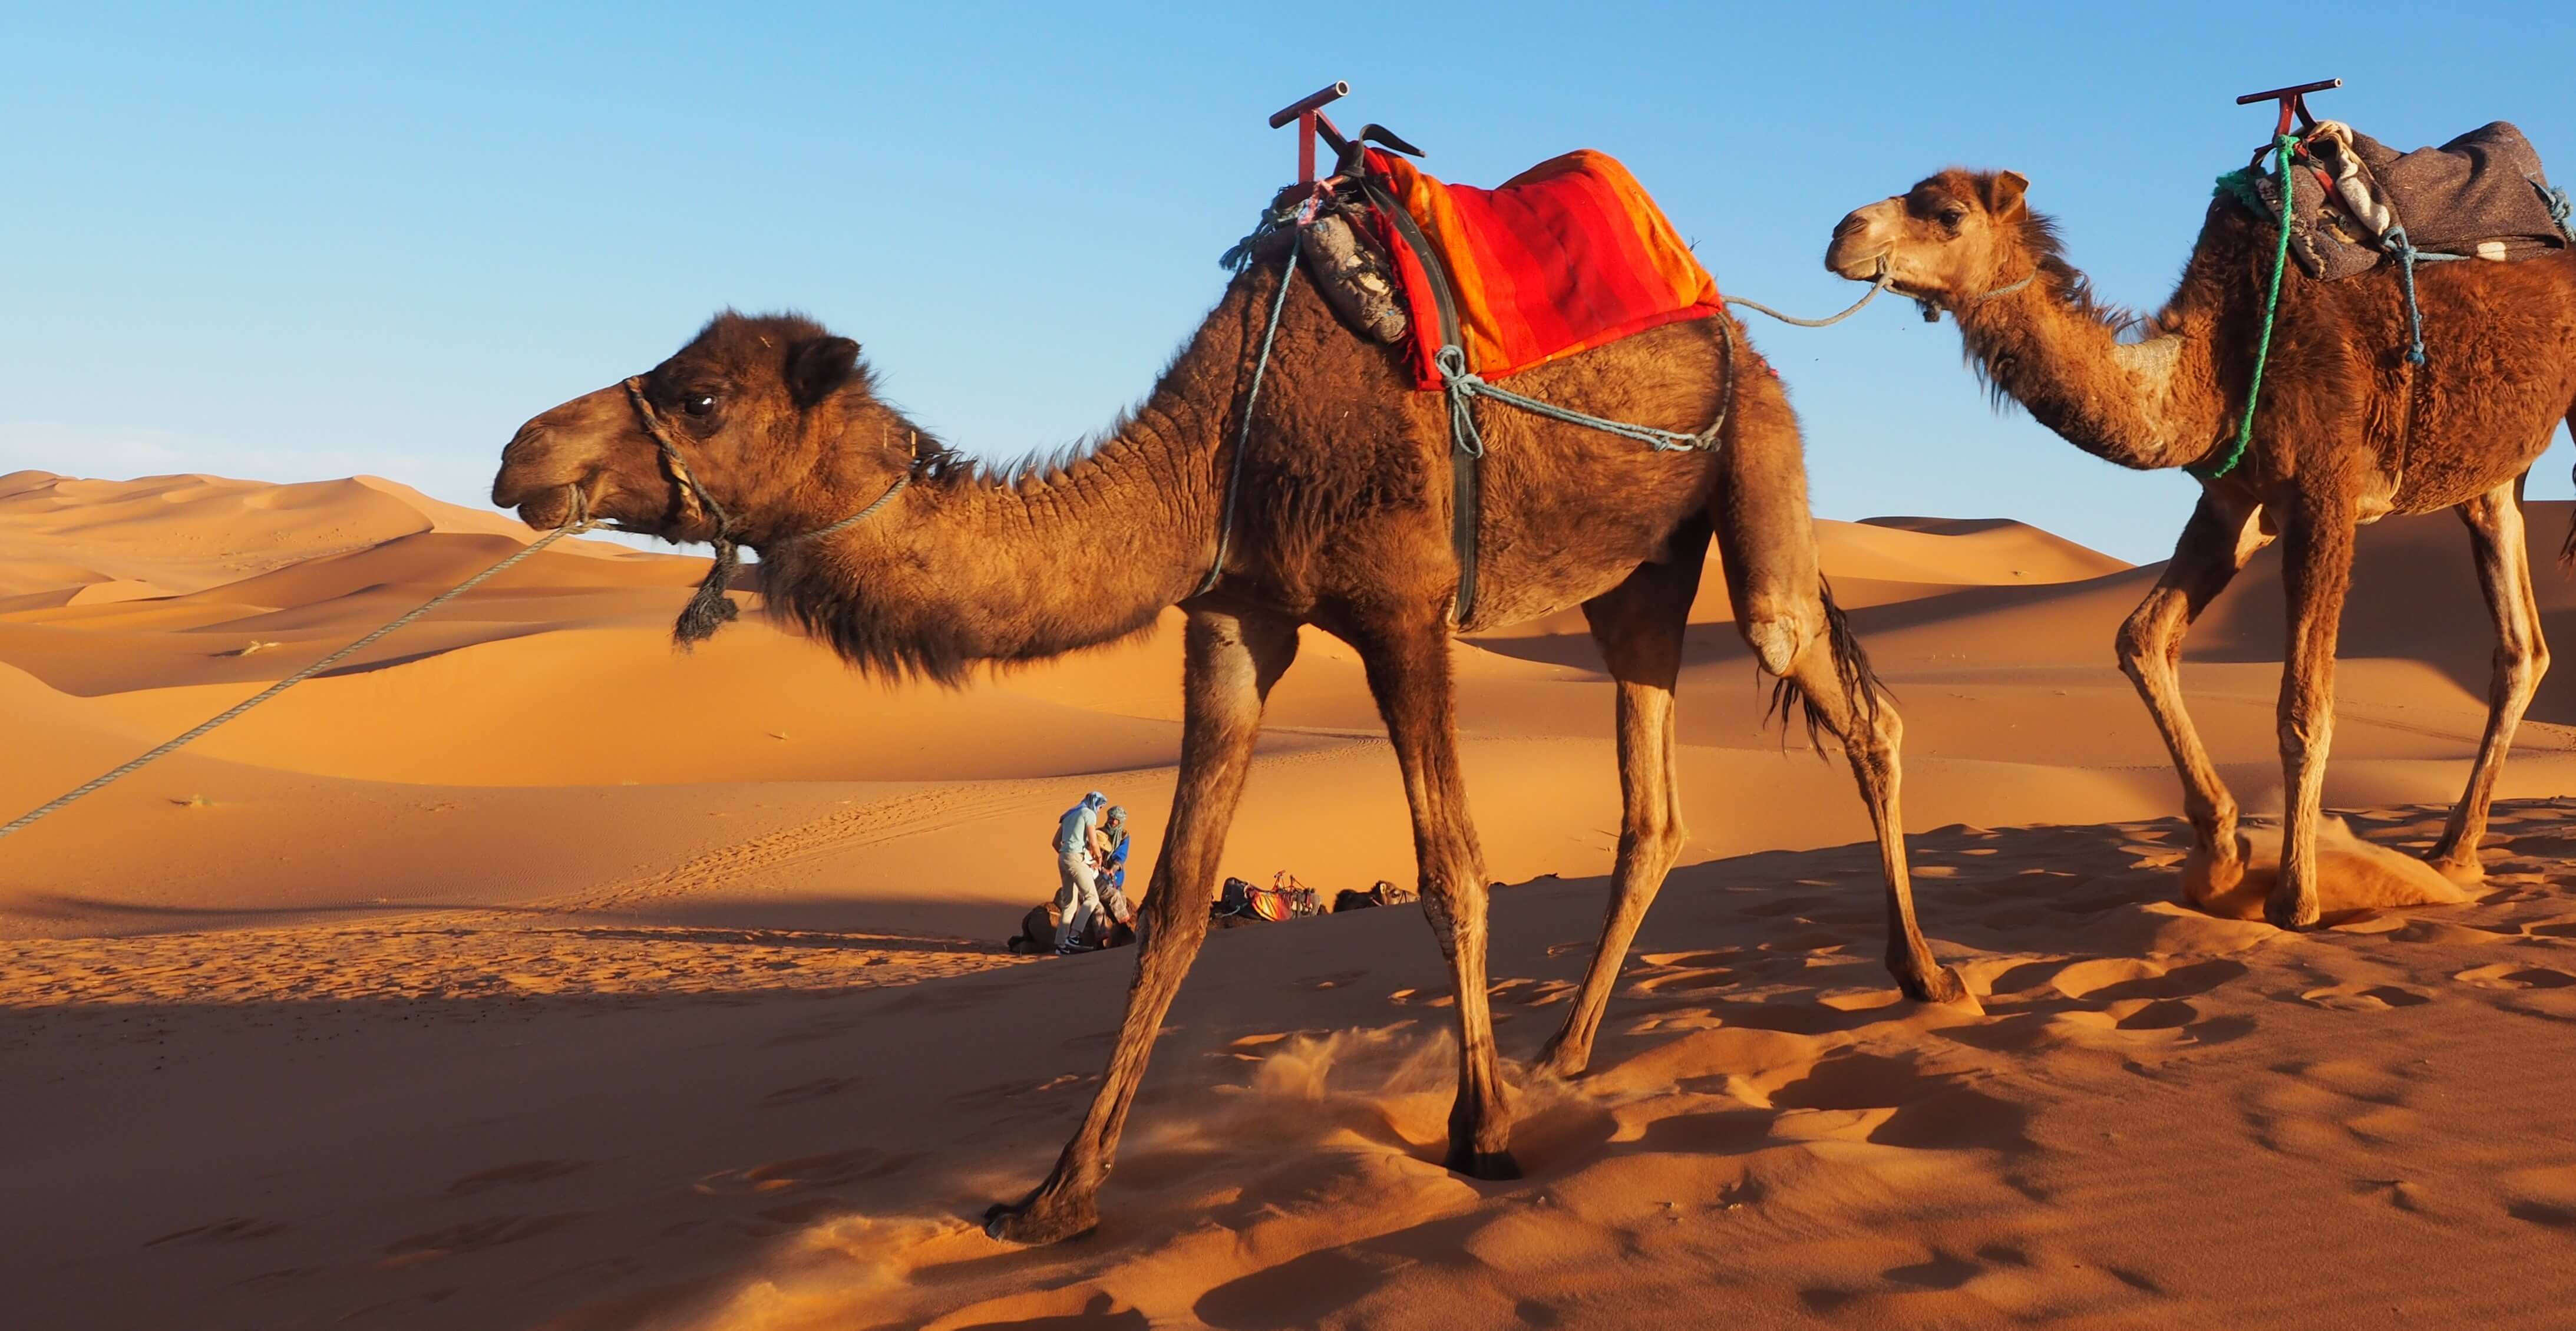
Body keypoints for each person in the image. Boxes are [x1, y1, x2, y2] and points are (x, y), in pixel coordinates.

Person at [1051, 791, 1109, 954]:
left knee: (1069, 904)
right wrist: (1098, 858)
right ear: (1095, 803)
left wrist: (1067, 855)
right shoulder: (1088, 814)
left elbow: (1055, 843)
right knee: (1092, 898)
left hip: (1063, 858)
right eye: (1101, 807)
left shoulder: (1070, 814)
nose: (1100, 810)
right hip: (1076, 858)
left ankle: (1061, 945)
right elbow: (1093, 841)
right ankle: (1074, 936)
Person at [1094, 805, 1135, 931]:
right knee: (1112, 898)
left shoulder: (1124, 836)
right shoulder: (1099, 833)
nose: (1113, 822)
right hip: (1097, 872)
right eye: (1112, 818)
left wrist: (1113, 869)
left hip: (1114, 874)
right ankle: (1123, 930)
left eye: (1117, 820)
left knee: (1121, 899)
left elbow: (1120, 856)